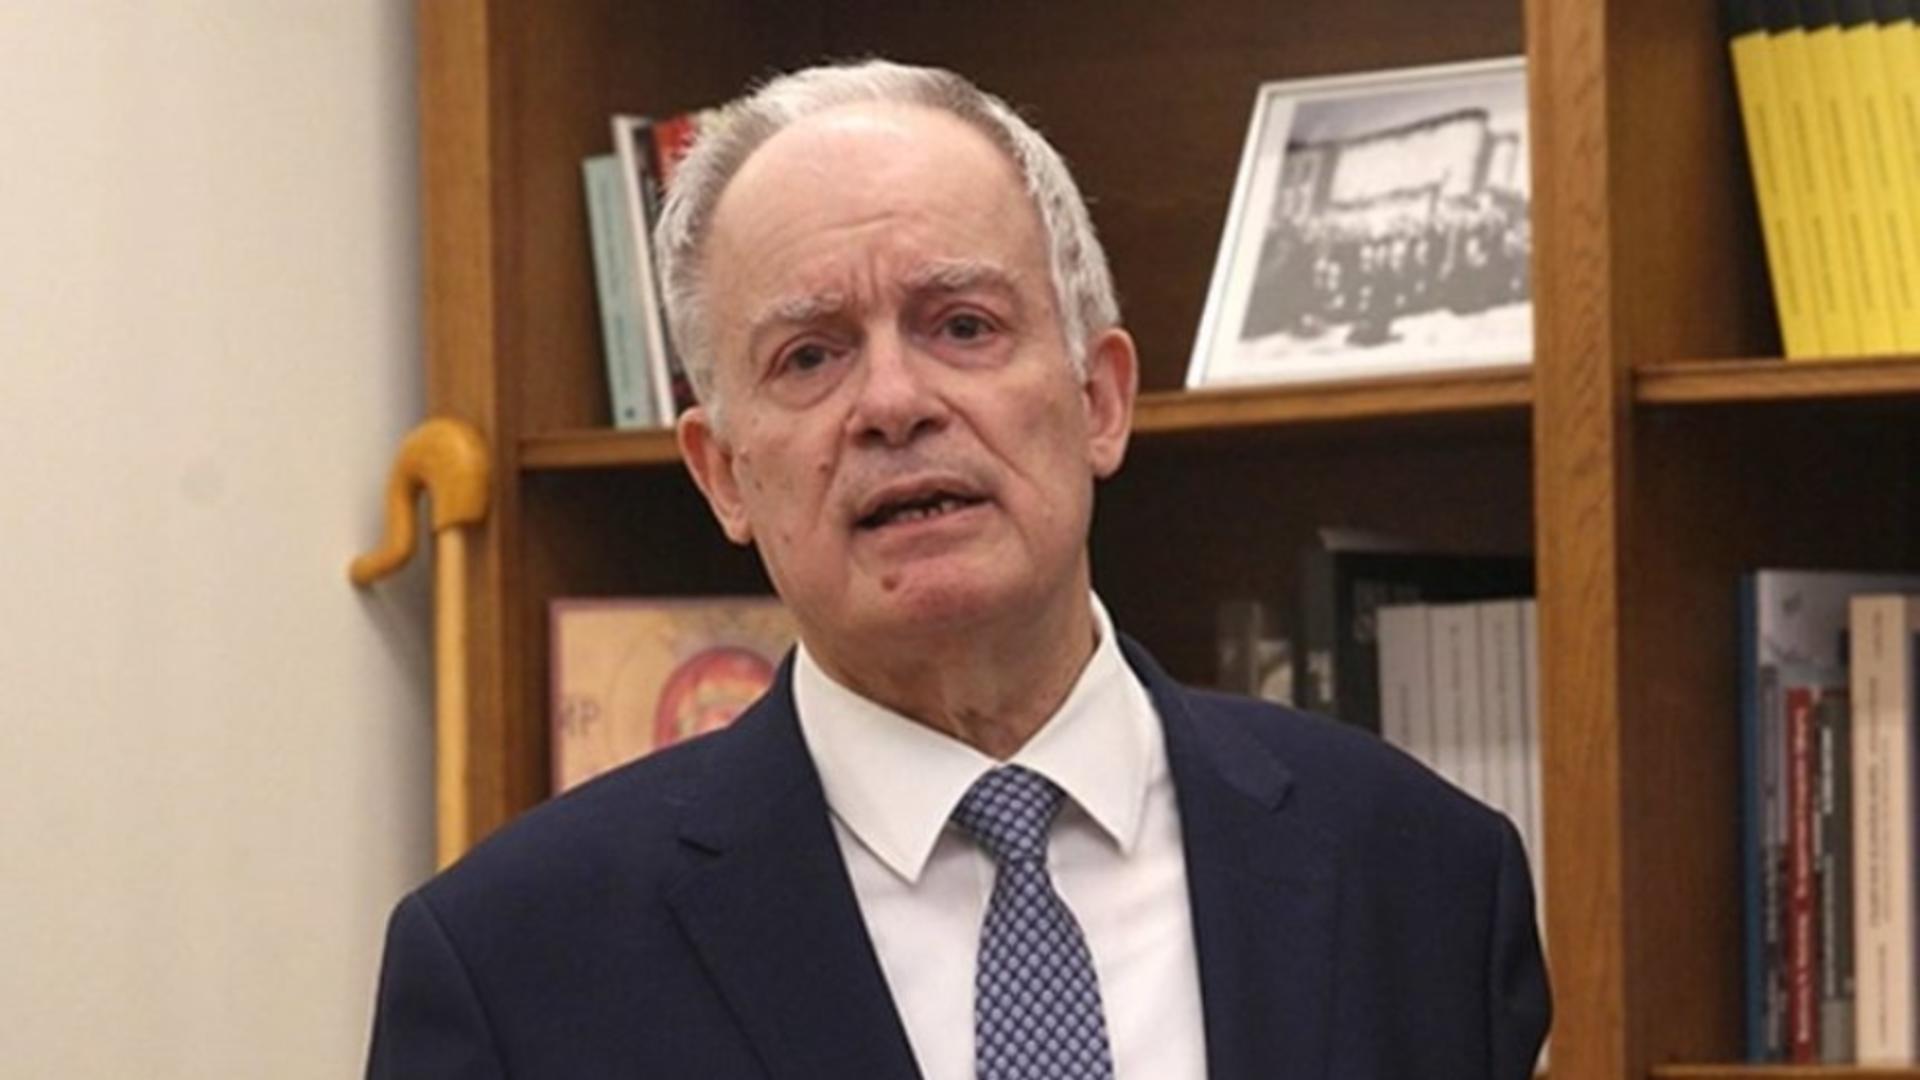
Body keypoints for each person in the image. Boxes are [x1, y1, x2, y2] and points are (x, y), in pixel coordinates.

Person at [366, 59, 1550, 1079]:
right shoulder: (513, 965)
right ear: (723, 474)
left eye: (964, 326)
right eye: (810, 356)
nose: (893, 402)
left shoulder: (1424, 874)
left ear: (1100, 399)